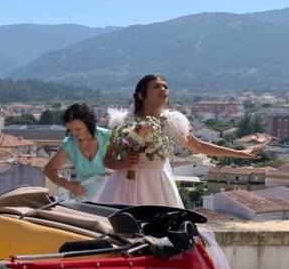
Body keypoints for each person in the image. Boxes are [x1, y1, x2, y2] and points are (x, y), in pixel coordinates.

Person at [97, 74, 264, 208]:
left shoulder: (171, 122)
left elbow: (198, 146)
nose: (164, 90)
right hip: (124, 184)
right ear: (141, 95)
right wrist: (123, 163)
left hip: (158, 185)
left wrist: (239, 153)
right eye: (157, 86)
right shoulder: (124, 123)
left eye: (165, 87)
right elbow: (107, 159)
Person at [43, 103, 111, 202]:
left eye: (77, 129)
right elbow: (49, 169)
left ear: (88, 123)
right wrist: (69, 186)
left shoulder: (108, 137)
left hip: (110, 196)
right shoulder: (70, 143)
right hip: (85, 200)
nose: (74, 133)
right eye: (70, 130)